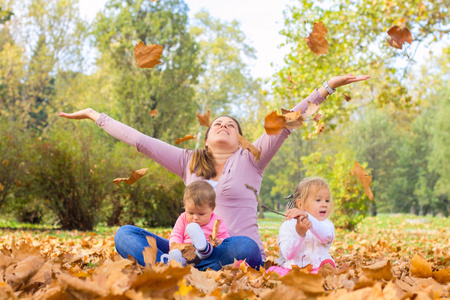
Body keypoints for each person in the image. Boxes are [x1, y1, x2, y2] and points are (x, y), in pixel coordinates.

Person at [59, 74, 369, 270]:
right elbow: (141, 142)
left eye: (231, 126)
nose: (223, 126)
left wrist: (327, 87)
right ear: (206, 139)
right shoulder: (188, 161)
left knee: (245, 247)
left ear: (240, 139)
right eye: (217, 124)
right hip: (187, 249)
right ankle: (178, 264)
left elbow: (287, 121)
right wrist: (93, 115)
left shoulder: (252, 158)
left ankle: (183, 268)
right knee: (125, 234)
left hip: (233, 248)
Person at [267, 177, 335, 276]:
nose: (324, 204)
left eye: (327, 200)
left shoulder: (326, 224)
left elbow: (327, 237)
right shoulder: (288, 226)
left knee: (327, 272)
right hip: (291, 270)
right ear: (300, 204)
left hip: (317, 269)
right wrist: (299, 234)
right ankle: (242, 270)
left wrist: (309, 218)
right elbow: (288, 255)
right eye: (318, 200)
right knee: (273, 272)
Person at [161, 180, 230, 266]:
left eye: (201, 214)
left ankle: (204, 248)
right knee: (177, 256)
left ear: (212, 209)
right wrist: (177, 247)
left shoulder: (217, 221)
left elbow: (226, 238)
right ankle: (176, 263)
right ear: (185, 207)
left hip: (209, 256)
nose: (195, 217)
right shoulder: (183, 218)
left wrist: (220, 241)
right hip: (185, 253)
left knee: (216, 253)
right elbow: (176, 234)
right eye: (191, 213)